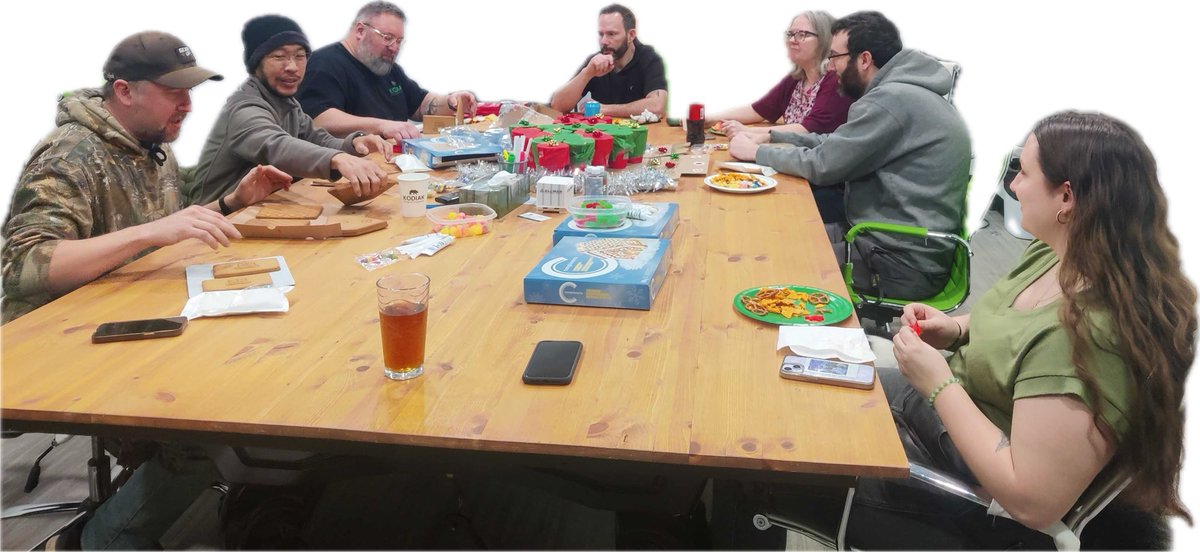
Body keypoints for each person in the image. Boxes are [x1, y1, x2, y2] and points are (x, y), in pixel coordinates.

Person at [848, 111, 1197, 548]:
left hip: (974, 503)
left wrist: (939, 384)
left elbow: (1033, 503)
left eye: (1024, 173)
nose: (1012, 185)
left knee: (781, 475)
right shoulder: (1062, 254)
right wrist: (954, 329)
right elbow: (1017, 321)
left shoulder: (1084, 335)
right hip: (947, 416)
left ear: (1065, 197)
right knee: (828, 389)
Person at [1, 31, 290, 323]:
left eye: (189, 91)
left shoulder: (153, 143)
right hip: (50, 334)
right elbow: (22, 266)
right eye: (174, 92)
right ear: (125, 92)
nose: (188, 105)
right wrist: (146, 233)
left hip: (128, 310)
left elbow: (170, 228)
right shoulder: (68, 157)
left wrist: (231, 202)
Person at [730, 11, 970, 300]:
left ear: (864, 59)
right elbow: (838, 143)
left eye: (835, 57)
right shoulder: (906, 93)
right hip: (898, 247)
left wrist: (757, 152)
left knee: (771, 261)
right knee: (776, 234)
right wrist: (777, 136)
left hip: (897, 263)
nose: (830, 68)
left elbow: (824, 165)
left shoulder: (891, 100)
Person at [185, 14, 392, 207]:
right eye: (279, 57)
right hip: (217, 221)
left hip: (262, 212)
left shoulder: (287, 103)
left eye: (300, 56)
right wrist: (337, 158)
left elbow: (317, 139)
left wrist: (355, 144)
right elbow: (276, 146)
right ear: (256, 64)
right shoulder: (244, 107)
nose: (292, 66)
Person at [297, 1, 478, 142]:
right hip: (345, 171)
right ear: (360, 31)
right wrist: (382, 126)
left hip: (389, 162)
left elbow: (421, 103)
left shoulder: (385, 66)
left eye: (399, 41)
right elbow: (318, 119)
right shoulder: (324, 64)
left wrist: (451, 101)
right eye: (388, 38)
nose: (394, 48)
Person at [710, 11, 852, 139]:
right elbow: (758, 110)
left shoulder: (835, 79)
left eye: (802, 34)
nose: (791, 40)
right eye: (790, 34)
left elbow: (809, 130)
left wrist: (747, 131)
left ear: (825, 40)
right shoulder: (796, 78)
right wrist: (710, 118)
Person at [549, 3, 667, 119]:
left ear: (631, 35)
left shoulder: (649, 59)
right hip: (603, 133)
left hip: (641, 134)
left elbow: (657, 107)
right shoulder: (595, 62)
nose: (604, 41)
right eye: (601, 34)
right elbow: (557, 106)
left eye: (611, 34)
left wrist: (604, 109)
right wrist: (586, 74)